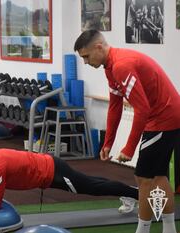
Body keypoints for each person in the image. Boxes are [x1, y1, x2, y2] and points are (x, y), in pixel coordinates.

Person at [73, 29, 180, 233]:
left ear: (99, 47)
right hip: (162, 115)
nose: (86, 62)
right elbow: (115, 106)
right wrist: (108, 143)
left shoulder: (121, 65)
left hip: (164, 117)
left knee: (143, 177)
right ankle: (169, 229)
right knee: (157, 176)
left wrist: (129, 148)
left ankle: (143, 230)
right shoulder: (110, 66)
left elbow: (142, 109)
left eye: (86, 57)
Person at [0, 149, 138, 212]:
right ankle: (128, 192)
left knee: (93, 188)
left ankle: (134, 193)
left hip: (53, 172)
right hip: (47, 171)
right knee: (92, 183)